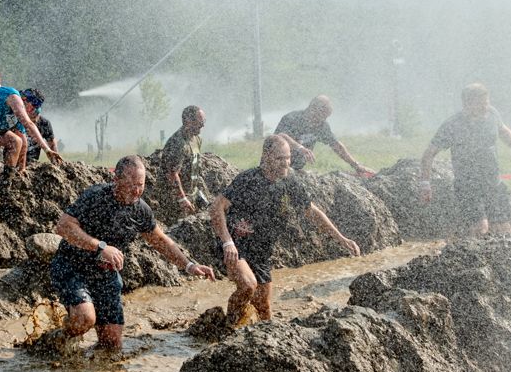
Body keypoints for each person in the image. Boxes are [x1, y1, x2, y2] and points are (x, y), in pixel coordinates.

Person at [49, 155, 213, 353]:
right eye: (131, 184)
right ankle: (53, 341)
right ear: (116, 179)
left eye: (141, 185)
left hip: (105, 274)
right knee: (85, 319)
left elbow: (161, 241)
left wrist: (189, 265)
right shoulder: (95, 197)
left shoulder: (140, 210)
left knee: (112, 345)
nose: (136, 191)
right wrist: (100, 246)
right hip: (72, 266)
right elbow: (64, 226)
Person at [212, 134, 361, 325]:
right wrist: (227, 242)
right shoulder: (248, 179)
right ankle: (228, 325)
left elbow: (312, 212)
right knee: (249, 285)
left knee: (264, 309)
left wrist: (342, 238)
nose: (286, 163)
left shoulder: (289, 182)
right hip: (236, 246)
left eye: (288, 157)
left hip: (262, 251)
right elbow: (217, 207)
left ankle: (245, 324)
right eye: (280, 158)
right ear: (266, 156)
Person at [419, 83, 511, 236]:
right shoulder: (453, 125)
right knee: (480, 228)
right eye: (481, 104)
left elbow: (503, 130)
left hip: (493, 183)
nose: (486, 107)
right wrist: (425, 184)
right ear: (467, 104)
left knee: (503, 230)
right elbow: (429, 154)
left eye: (487, 102)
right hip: (467, 187)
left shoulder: (492, 113)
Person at [272, 95, 376, 177]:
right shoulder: (292, 119)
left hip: (297, 170)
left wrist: (356, 165)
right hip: (277, 168)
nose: (322, 120)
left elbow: (336, 145)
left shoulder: (321, 125)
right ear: (312, 109)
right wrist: (300, 148)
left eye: (325, 117)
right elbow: (280, 137)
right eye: (320, 116)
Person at [154, 105, 210, 220]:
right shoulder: (177, 143)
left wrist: (197, 192)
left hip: (190, 194)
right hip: (174, 199)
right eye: (200, 122)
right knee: (177, 230)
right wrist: (182, 199)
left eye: (204, 121)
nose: (203, 125)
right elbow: (172, 174)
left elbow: (194, 167)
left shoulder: (197, 139)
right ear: (188, 121)